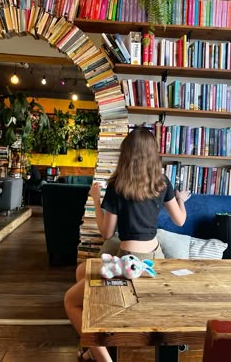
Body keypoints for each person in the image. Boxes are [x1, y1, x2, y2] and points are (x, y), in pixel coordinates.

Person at [64, 127, 190, 361]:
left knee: (70, 301)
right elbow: (180, 220)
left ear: (126, 154)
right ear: (153, 154)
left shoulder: (117, 184)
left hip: (126, 262)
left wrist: (94, 198)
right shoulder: (162, 182)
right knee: (82, 271)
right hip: (155, 258)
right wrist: (180, 200)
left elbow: (107, 231)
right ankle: (93, 347)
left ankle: (100, 354)